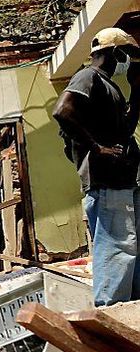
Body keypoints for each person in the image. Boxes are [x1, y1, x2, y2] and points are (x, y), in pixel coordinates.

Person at [53, 27, 140, 306]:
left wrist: (137, 92)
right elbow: (62, 110)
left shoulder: (109, 86)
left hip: (123, 180)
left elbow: (124, 130)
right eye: (128, 53)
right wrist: (96, 147)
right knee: (117, 247)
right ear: (115, 52)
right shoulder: (88, 76)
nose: (129, 60)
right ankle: (111, 313)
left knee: (131, 247)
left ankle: (132, 308)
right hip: (107, 181)